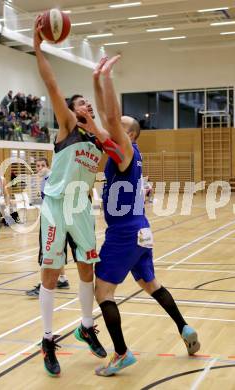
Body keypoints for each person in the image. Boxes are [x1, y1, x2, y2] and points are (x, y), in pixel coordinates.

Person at [91, 56, 200, 376]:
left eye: (120, 126)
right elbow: (105, 116)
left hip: (124, 232)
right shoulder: (120, 149)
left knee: (103, 291)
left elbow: (109, 117)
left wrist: (108, 79)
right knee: (150, 283)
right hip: (141, 230)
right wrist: (97, 80)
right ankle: (184, 327)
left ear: (131, 135)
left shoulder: (125, 150)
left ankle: (122, 353)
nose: (113, 126)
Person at [34, 19, 126, 377]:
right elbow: (52, 85)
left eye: (89, 103)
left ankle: (87, 326)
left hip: (82, 207)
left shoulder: (97, 138)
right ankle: (46, 339)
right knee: (52, 274)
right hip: (57, 205)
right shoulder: (68, 126)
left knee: (87, 268)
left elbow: (115, 143)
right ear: (71, 111)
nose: (86, 105)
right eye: (81, 103)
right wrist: (39, 47)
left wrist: (99, 89)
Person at [26, 157, 71, 298]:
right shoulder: (42, 181)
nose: (40, 168)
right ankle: (63, 279)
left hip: (53, 221)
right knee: (57, 250)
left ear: (48, 166)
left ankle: (43, 284)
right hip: (53, 218)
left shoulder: (52, 177)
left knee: (46, 252)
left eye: (42, 165)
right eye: (37, 166)